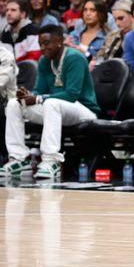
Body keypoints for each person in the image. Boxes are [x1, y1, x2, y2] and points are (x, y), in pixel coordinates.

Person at [0, 24, 99, 179]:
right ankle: (19, 158)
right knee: (14, 103)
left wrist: (39, 98)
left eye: (47, 43)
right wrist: (28, 95)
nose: (43, 47)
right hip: (56, 109)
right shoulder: (44, 61)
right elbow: (39, 90)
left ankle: (51, 159)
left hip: (84, 110)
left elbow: (72, 95)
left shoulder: (75, 58)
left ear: (59, 41)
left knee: (50, 103)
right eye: (40, 44)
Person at [93, 0, 134, 65]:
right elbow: (99, 56)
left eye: (121, 18)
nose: (117, 23)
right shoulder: (112, 35)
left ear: (131, 16)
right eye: (115, 19)